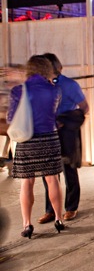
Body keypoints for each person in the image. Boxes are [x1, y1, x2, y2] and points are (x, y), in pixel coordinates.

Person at [7, 55, 65, 238]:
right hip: (49, 138)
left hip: (27, 141)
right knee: (52, 179)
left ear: (29, 69)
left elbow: (11, 118)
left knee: (27, 182)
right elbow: (54, 114)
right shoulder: (55, 90)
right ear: (47, 69)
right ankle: (58, 219)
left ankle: (27, 224)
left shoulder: (18, 90)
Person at [38, 53, 88, 224]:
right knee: (49, 172)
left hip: (66, 132)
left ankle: (71, 207)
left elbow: (84, 107)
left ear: (58, 68)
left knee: (69, 169)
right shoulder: (41, 86)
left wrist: (66, 120)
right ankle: (51, 210)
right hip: (47, 131)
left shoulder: (70, 85)